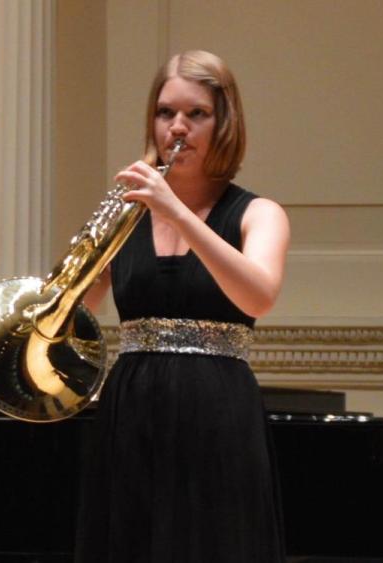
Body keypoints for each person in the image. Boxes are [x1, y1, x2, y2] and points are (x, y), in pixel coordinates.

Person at [75, 50, 290, 562]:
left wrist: (174, 209)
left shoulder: (259, 214)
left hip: (216, 414)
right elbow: (78, 308)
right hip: (129, 413)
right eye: (165, 112)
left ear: (224, 122)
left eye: (197, 114)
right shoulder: (128, 214)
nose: (177, 128)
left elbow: (258, 295)